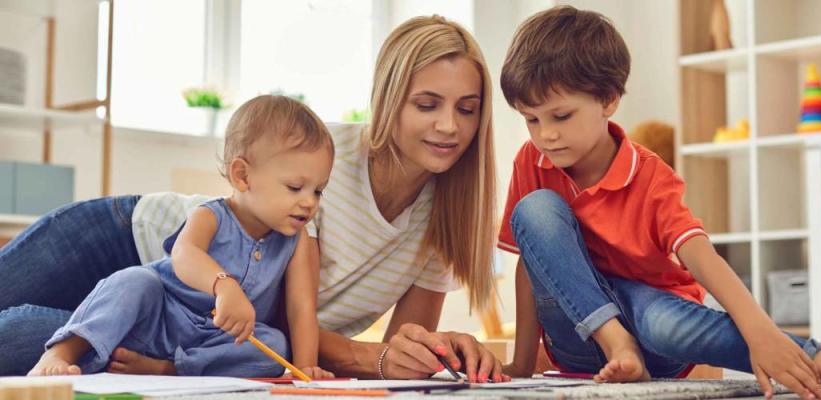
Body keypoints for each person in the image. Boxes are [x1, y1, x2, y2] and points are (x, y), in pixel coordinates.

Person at [0, 15, 505, 383]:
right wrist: (362, 359)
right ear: (389, 99)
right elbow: (304, 323)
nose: (449, 126)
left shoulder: (449, 220)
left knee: (45, 347)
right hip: (126, 239)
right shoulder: (323, 162)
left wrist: (436, 354)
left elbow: (399, 348)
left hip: (185, 324)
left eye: (467, 109)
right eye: (427, 104)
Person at [496, 6, 821, 399]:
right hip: (580, 338)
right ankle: (616, 341)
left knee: (657, 316)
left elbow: (701, 257)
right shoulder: (532, 163)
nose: (545, 135)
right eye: (532, 120)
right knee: (535, 209)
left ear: (608, 100)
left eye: (560, 116)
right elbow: (531, 266)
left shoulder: (650, 176)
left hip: (655, 337)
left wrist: (762, 331)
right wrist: (522, 361)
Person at [28, 95, 335, 378]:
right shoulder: (211, 215)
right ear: (242, 176)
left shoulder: (295, 242)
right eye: (295, 187)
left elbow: (300, 308)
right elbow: (184, 255)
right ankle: (59, 352)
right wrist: (223, 285)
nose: (309, 202)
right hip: (159, 318)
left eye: (318, 190)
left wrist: (306, 369)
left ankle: (169, 368)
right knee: (135, 281)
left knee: (275, 345)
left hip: (213, 340)